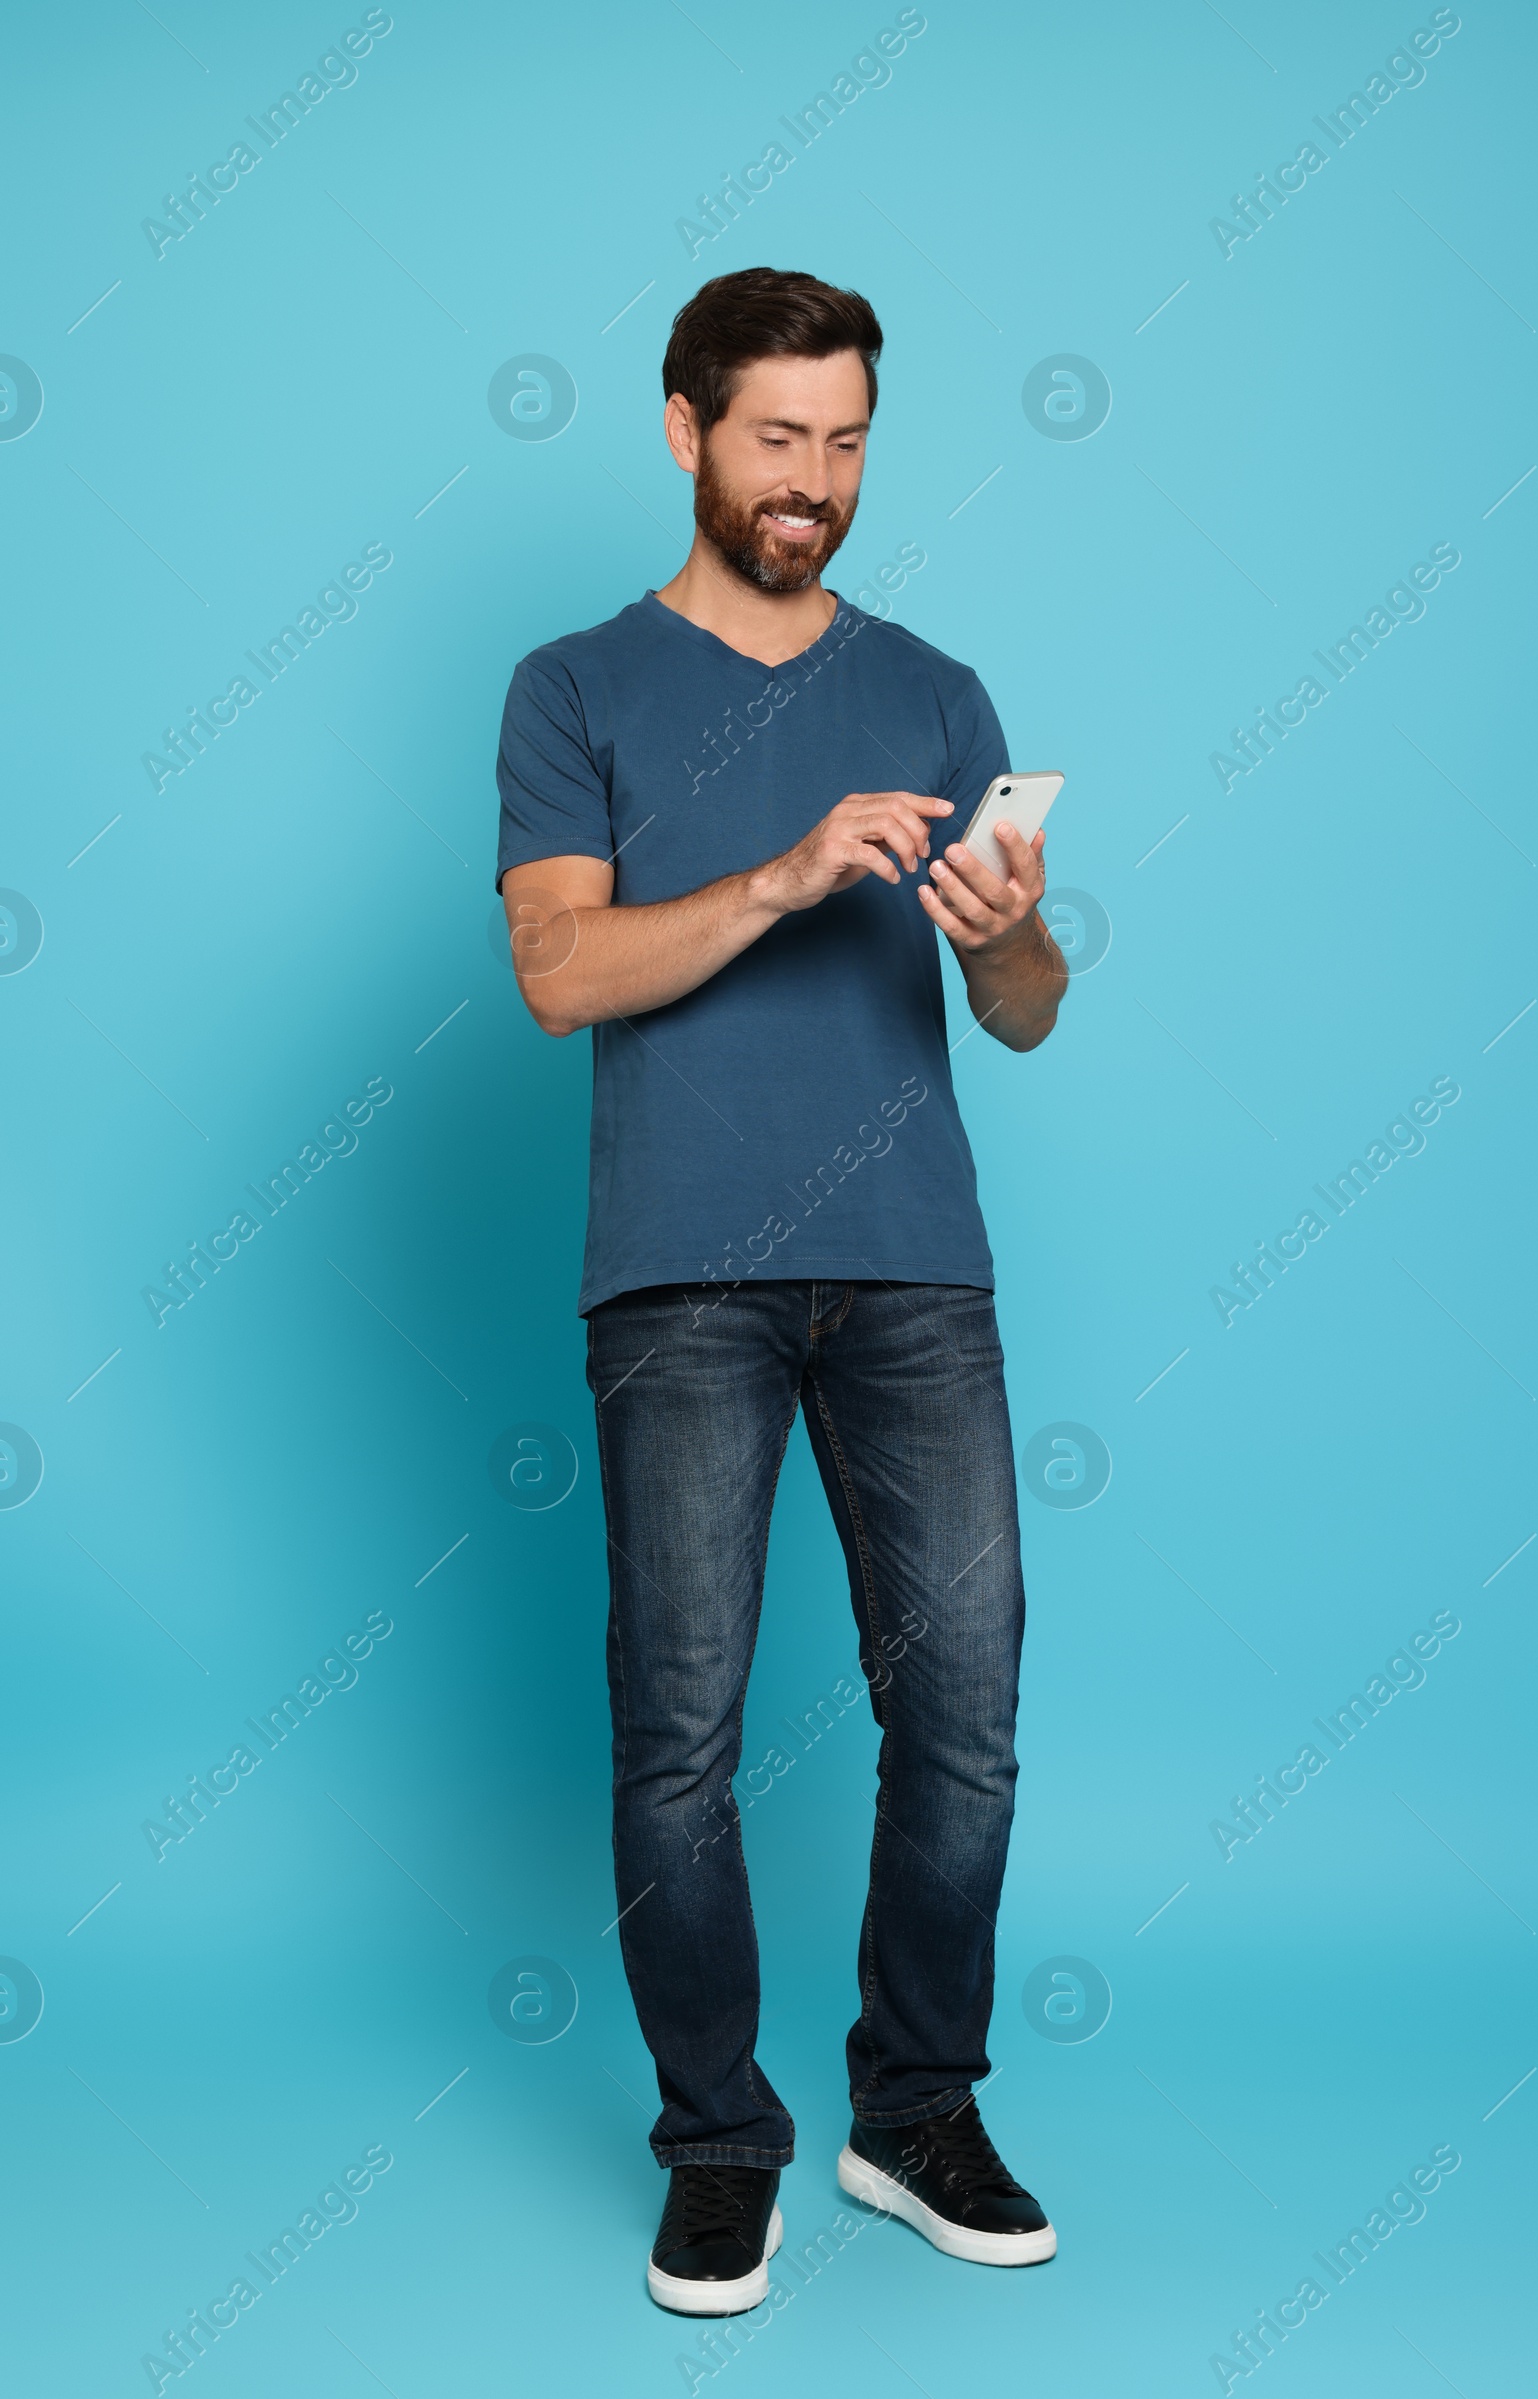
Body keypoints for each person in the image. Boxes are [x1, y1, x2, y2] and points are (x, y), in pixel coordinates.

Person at [496, 267, 1067, 2316]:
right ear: (681, 428)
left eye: (841, 442)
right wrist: (775, 876)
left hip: (914, 1266)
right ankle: (714, 2142)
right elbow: (559, 971)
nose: (809, 482)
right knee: (677, 1733)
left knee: (968, 1719)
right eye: (772, 439)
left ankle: (911, 2111)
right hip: (681, 1279)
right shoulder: (572, 687)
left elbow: (1017, 1010)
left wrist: (1003, 936)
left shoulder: (933, 685)